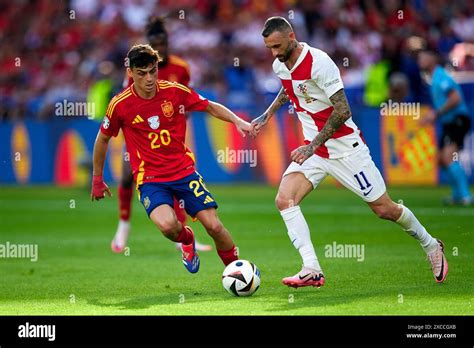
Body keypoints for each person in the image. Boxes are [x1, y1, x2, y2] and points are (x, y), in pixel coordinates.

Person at [250, 17, 448, 288]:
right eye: (269, 48)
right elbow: (289, 89)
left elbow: (343, 111)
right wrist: (267, 114)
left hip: (345, 150)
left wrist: (311, 146)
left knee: (384, 209)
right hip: (315, 152)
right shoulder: (279, 64)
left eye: (277, 46)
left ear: (292, 36)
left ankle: (431, 244)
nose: (274, 53)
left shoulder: (319, 63)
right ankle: (312, 268)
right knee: (285, 200)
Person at [91, 44, 250, 272]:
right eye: (141, 73)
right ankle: (187, 240)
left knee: (214, 226)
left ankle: (237, 272)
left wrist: (237, 121)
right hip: (151, 179)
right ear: (130, 73)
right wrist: (97, 179)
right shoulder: (120, 104)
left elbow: (209, 107)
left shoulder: (175, 91)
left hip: (184, 171)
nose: (149, 78)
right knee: (168, 226)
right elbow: (102, 140)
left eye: (152, 71)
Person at [112, 17, 212, 253]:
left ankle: (184, 236)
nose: (160, 49)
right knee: (127, 176)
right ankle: (123, 225)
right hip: (143, 133)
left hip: (173, 133)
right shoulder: (138, 68)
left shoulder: (181, 68)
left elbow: (188, 98)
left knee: (177, 177)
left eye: (163, 44)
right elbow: (131, 99)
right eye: (155, 45)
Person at [417, 49, 472, 206]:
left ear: (432, 59)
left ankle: (466, 195)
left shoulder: (441, 76)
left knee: (448, 157)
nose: (419, 61)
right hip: (450, 122)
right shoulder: (434, 78)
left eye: (422, 57)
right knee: (442, 159)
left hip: (457, 120)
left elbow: (455, 98)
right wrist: (433, 117)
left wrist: (436, 113)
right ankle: (457, 195)